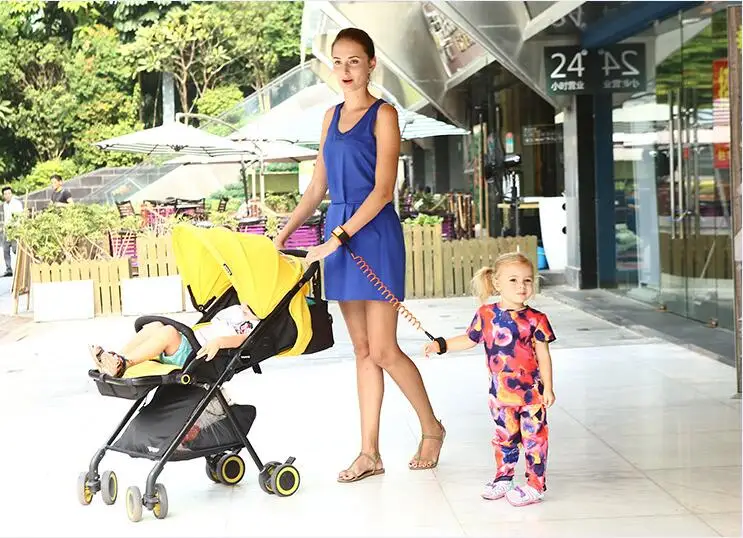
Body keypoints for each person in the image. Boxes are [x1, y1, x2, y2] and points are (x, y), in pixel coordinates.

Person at [274, 27, 445, 483]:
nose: (345, 70)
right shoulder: (329, 117)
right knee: (363, 350)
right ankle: (369, 452)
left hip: (373, 233)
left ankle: (431, 427)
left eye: (354, 61)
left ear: (371, 64)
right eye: (338, 61)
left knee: (385, 349)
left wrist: (338, 237)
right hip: (338, 231)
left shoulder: (384, 114)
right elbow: (318, 186)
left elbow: (384, 190)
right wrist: (284, 232)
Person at [424, 252, 556, 507]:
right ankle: (504, 477)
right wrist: (442, 345)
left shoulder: (537, 319)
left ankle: (535, 485)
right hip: (501, 395)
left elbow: (544, 355)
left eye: (527, 280)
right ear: (497, 283)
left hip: (532, 395)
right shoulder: (486, 314)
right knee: (504, 437)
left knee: (534, 439)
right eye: (513, 280)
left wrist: (548, 388)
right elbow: (469, 339)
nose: (521, 286)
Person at [89, 303, 260, 378]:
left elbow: (242, 340)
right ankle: (115, 360)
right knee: (155, 325)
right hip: (189, 341)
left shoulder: (253, 326)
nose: (245, 306)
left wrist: (219, 342)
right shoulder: (236, 310)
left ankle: (125, 364)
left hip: (196, 355)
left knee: (169, 332)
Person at [2, 186, 23, 277]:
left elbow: (20, 216)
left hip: (15, 229)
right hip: (7, 229)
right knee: (5, 250)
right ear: (3, 195)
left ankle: (20, 268)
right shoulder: (4, 205)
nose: (7, 195)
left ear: (12, 194)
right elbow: (6, 217)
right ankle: (8, 269)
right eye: (5, 194)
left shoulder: (17, 203)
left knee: (15, 249)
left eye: (9, 193)